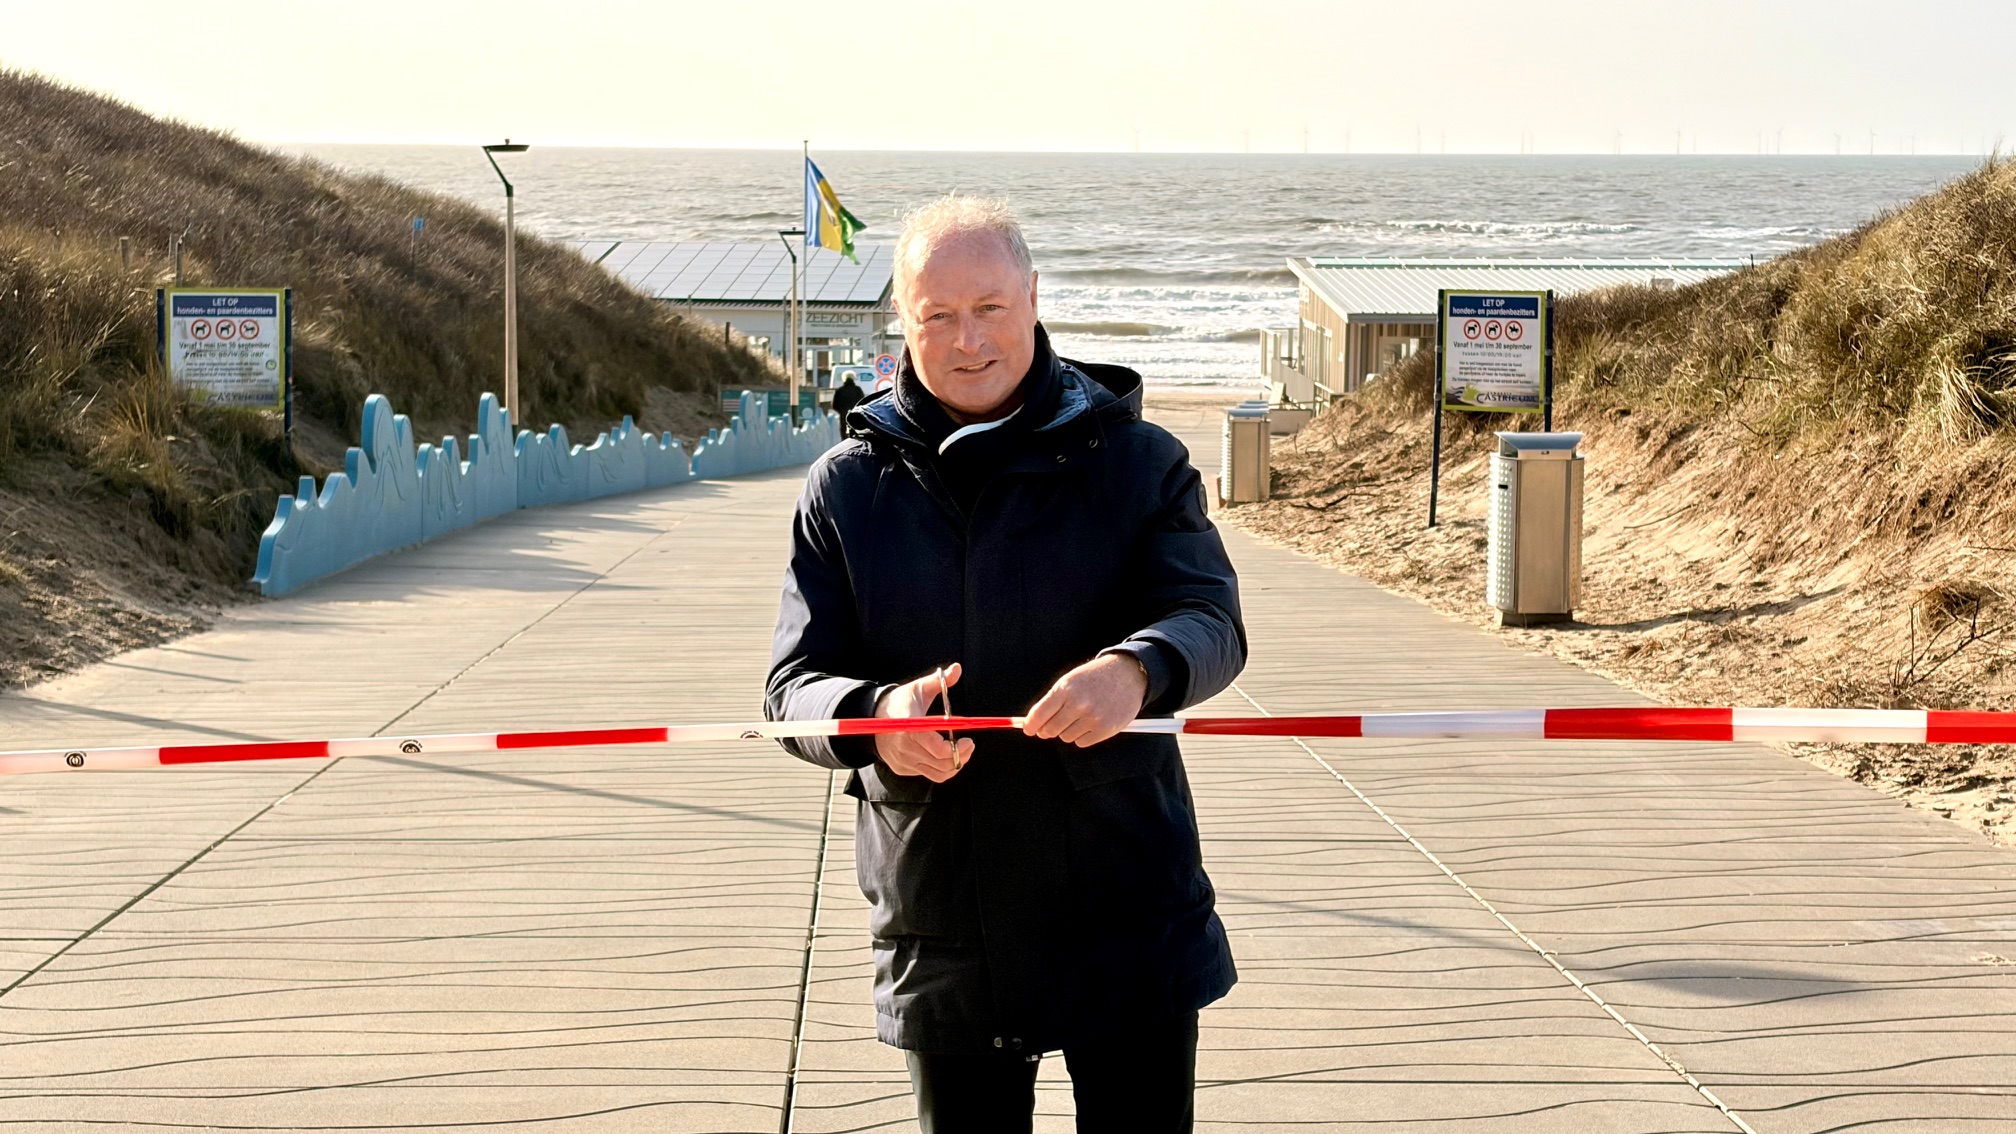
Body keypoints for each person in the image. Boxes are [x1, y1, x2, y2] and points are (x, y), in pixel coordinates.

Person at [766, 195, 1246, 1133]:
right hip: (943, 916)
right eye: (937, 314)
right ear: (901, 320)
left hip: (1125, 899)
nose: (967, 339)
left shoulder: (1140, 460)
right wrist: (875, 718)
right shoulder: (846, 487)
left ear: (1033, 297)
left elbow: (1210, 617)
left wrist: (1137, 670)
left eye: (989, 307)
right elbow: (794, 687)